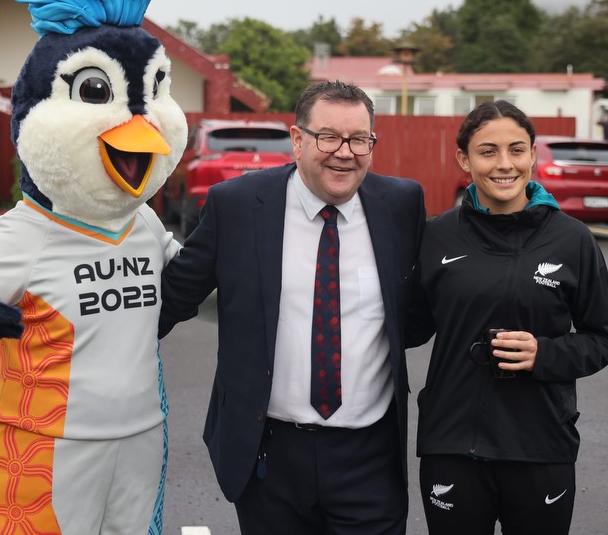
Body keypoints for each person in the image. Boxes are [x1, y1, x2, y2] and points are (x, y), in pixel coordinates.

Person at [158, 80, 426, 534]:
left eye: (359, 139)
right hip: (270, 455)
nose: (345, 153)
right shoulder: (237, 206)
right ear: (298, 139)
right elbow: (172, 299)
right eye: (329, 137)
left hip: (370, 458)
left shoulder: (401, 204)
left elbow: (421, 310)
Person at [407, 100, 608, 535]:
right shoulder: (436, 235)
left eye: (517, 150)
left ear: (533, 154)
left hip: (541, 443)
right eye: (488, 151)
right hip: (453, 442)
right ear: (464, 159)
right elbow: (408, 328)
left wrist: (544, 353)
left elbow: (604, 338)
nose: (504, 164)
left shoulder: (572, 240)